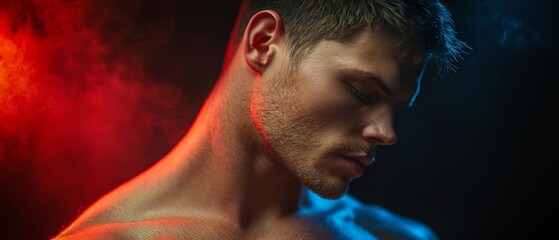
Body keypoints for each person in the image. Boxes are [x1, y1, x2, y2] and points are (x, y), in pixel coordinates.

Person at [53, 0, 465, 239]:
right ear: (264, 44)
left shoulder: (391, 235)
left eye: (396, 108)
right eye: (361, 93)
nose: (387, 134)